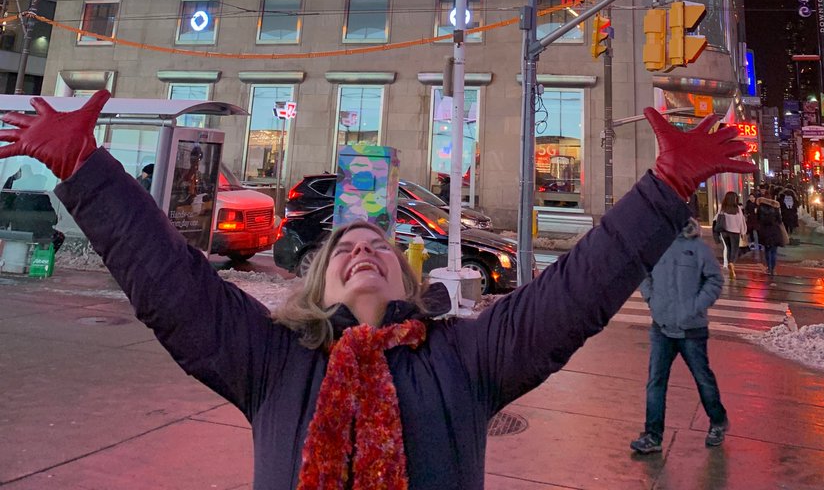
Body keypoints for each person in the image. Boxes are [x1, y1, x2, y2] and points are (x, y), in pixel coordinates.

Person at [0, 92, 752, 490]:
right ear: (318, 281)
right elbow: (170, 286)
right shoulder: (271, 363)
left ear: (405, 277)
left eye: (378, 248)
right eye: (345, 249)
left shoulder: (465, 357)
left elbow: (577, 293)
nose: (362, 252)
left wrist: (665, 190)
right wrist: (88, 171)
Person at [630, 217, 728, 455]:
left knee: (702, 378)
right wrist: (652, 300)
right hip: (661, 326)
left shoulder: (697, 249)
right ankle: (653, 435)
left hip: (692, 330)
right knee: (656, 382)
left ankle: (718, 421)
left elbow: (715, 280)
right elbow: (644, 272)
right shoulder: (657, 245)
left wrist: (695, 306)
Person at [715, 190, 746, 278]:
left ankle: (729, 264)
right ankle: (732, 263)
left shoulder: (722, 208)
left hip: (724, 232)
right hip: (735, 232)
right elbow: (741, 221)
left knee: (728, 248)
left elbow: (718, 219)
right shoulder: (737, 209)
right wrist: (743, 232)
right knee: (735, 250)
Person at [755, 189, 784, 280]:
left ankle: (769, 267)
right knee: (774, 251)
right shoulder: (775, 208)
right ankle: (773, 269)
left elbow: (758, 219)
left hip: (765, 231)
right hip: (774, 230)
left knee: (767, 250)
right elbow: (779, 220)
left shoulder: (760, 208)